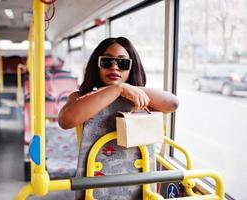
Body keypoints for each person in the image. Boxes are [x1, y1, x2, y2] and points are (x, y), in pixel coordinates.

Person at [58, 37, 179, 200]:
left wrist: (129, 90)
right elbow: (66, 120)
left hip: (140, 185)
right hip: (94, 187)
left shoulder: (140, 98)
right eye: (107, 62)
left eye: (122, 64)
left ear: (131, 67)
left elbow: (172, 103)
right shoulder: (82, 97)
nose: (114, 67)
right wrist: (117, 89)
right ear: (97, 65)